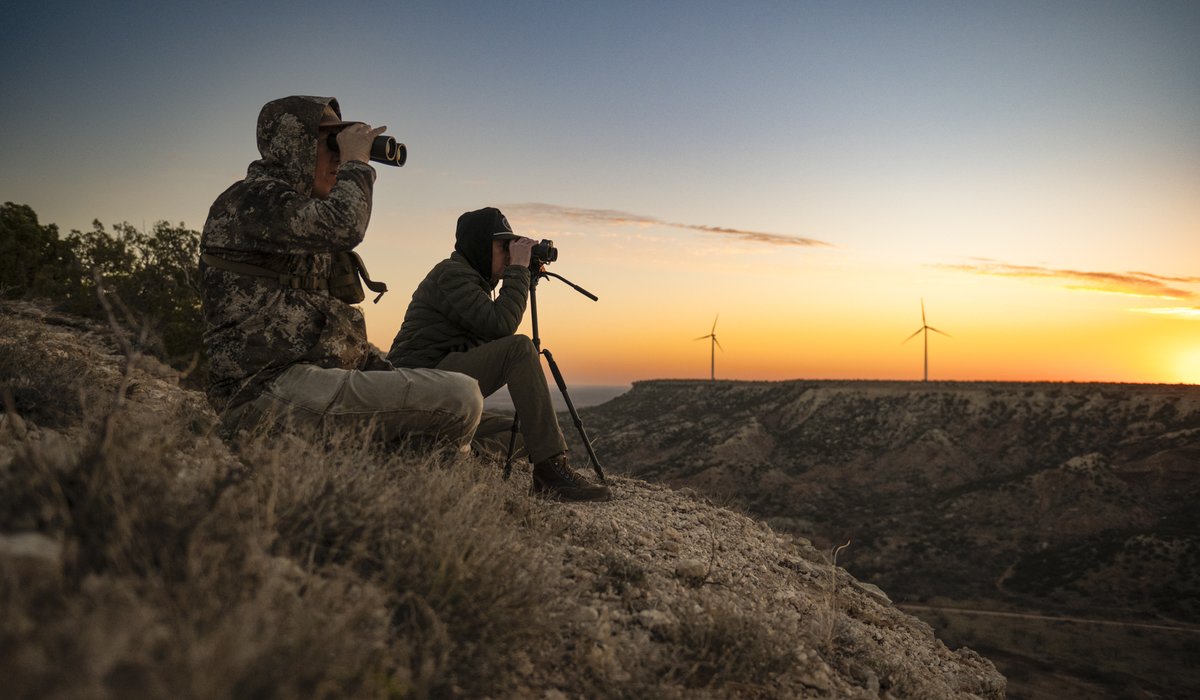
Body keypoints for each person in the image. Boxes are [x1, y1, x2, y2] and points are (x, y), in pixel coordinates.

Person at [199, 95, 482, 451]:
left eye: (340, 146)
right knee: (461, 398)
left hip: (305, 382)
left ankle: (404, 490)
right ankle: (416, 494)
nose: (337, 157)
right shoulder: (250, 201)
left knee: (461, 406)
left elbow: (327, 318)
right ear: (293, 146)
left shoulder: (299, 217)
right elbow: (347, 224)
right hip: (263, 392)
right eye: (329, 143)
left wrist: (389, 375)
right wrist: (357, 161)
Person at [387, 207, 611, 501]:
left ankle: (442, 447)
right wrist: (517, 271)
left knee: (527, 435)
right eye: (502, 247)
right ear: (479, 246)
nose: (508, 254)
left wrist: (521, 273)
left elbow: (490, 331)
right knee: (520, 348)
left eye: (511, 248)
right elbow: (502, 326)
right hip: (418, 384)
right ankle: (550, 473)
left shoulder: (476, 285)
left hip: (442, 387)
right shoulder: (450, 274)